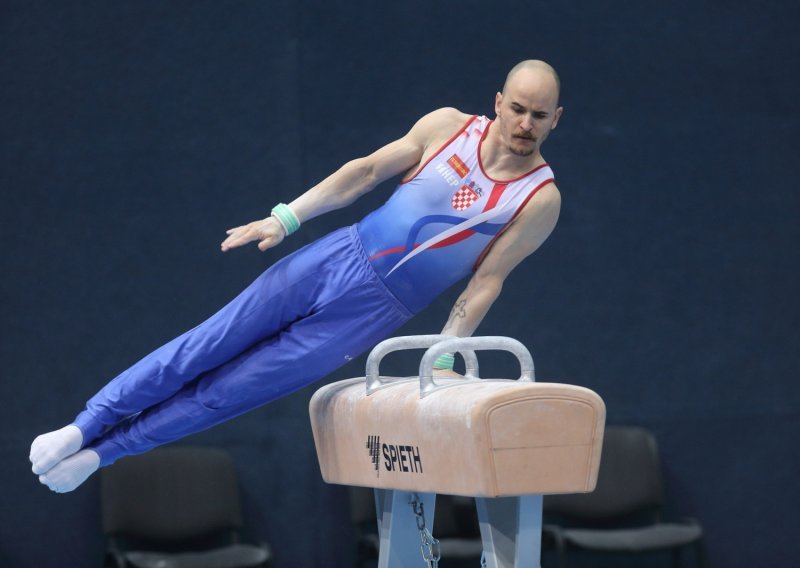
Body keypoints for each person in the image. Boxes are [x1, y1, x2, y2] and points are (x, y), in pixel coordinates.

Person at [30, 59, 564, 493]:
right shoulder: (449, 127)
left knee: (229, 393)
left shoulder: (539, 198)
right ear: (498, 101)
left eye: (538, 116)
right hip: (335, 257)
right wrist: (286, 218)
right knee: (204, 346)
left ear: (555, 119)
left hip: (374, 316)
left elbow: (486, 281)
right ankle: (84, 425)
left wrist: (445, 354)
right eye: (517, 109)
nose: (524, 125)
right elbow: (366, 171)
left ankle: (102, 454)